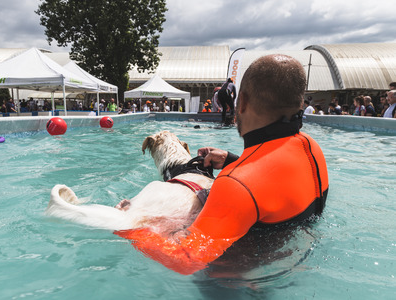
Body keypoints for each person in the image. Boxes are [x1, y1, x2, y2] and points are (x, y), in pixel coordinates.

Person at [117, 54, 329, 275]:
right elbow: (273, 191)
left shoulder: (235, 184)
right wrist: (233, 160)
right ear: (300, 102)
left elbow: (183, 260)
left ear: (242, 102)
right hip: (292, 265)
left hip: (233, 282)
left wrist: (130, 226)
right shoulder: (312, 149)